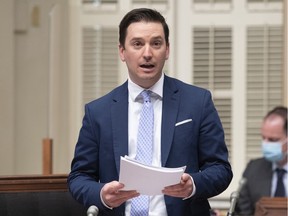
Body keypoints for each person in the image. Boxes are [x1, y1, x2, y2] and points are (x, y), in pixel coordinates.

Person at [68, 8, 233, 216]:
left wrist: (192, 184)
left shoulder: (197, 102)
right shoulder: (98, 112)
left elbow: (220, 169)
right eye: (137, 44)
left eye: (156, 43)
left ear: (167, 49)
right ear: (122, 51)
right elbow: (78, 177)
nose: (147, 53)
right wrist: (101, 193)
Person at [235, 106, 288, 215]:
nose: (266, 144)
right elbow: (242, 212)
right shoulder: (253, 169)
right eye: (264, 138)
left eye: (273, 140)